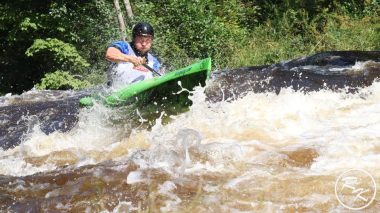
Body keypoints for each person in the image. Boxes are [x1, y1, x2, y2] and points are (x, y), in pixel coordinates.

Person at [105, 22, 162, 87]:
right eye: (140, 40)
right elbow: (109, 54)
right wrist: (130, 59)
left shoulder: (154, 61)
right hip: (117, 91)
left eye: (147, 40)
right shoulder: (124, 47)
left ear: (151, 41)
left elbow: (160, 78)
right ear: (134, 38)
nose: (144, 44)